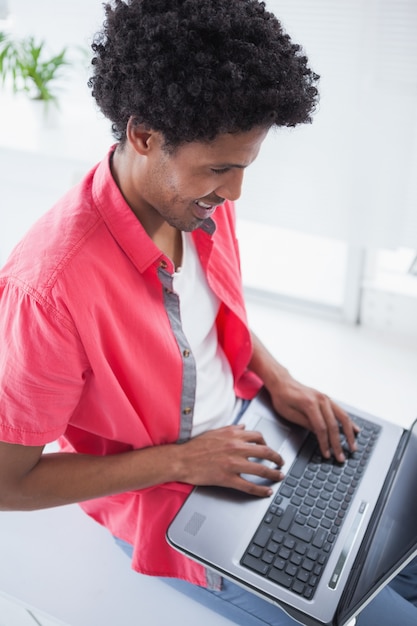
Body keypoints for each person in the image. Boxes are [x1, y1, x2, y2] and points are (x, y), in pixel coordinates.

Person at [0, 1, 415, 624]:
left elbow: (208, 324)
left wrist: (279, 381)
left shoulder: (195, 200)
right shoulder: (48, 292)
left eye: (243, 166)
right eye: (220, 168)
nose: (234, 192)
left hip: (261, 428)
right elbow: (9, 483)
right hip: (178, 503)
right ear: (143, 136)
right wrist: (181, 461)